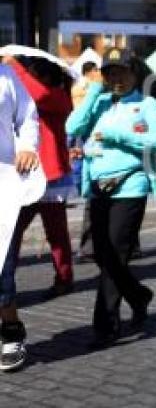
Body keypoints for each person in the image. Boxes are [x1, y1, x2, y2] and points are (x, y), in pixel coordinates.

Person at [65, 47, 156, 348]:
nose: (116, 77)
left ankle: (105, 326)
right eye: (109, 72)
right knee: (100, 253)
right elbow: (71, 127)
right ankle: (139, 295)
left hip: (130, 185)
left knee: (114, 256)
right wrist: (94, 89)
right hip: (97, 187)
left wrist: (118, 136)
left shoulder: (147, 104)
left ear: (134, 73)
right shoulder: (99, 101)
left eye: (121, 71)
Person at [6, 56, 75, 299]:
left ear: (45, 78)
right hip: (26, 175)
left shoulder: (58, 97)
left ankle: (64, 277)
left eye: (34, 74)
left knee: (56, 234)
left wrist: (14, 67)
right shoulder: (31, 98)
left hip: (50, 178)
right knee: (11, 230)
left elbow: (37, 93)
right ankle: (7, 281)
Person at [0, 60, 40, 372]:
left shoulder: (6, 75)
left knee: (2, 264)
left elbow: (27, 117)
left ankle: (11, 331)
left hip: (3, 182)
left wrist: (27, 146)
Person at [70, 61, 101, 262]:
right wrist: (94, 90)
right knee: (93, 204)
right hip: (94, 157)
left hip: (121, 170)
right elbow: (74, 124)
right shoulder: (86, 90)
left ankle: (130, 246)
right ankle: (89, 248)